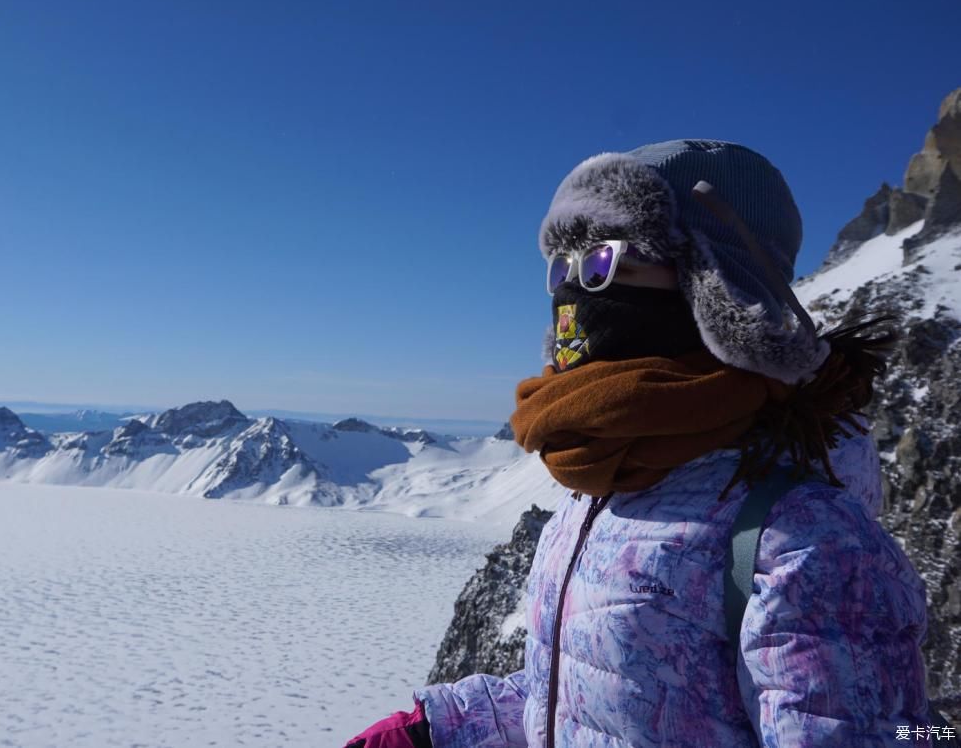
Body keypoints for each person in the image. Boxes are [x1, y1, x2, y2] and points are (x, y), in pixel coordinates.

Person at [343, 140, 932, 748]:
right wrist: (437, 729)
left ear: (713, 285)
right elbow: (591, 698)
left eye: (602, 260)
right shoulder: (609, 478)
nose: (574, 289)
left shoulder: (801, 537)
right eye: (562, 266)